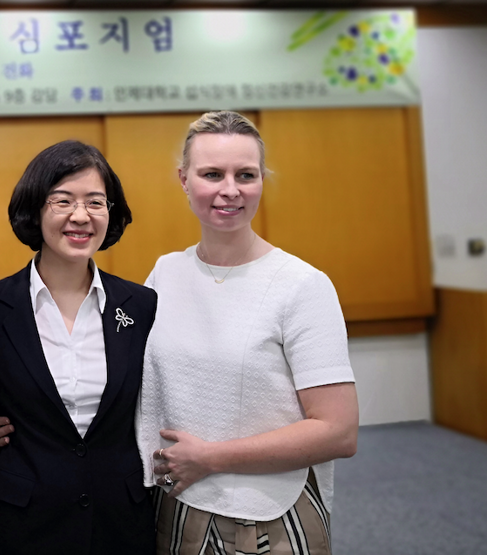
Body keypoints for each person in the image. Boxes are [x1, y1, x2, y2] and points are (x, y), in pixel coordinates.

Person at [136, 111, 359, 555]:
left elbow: (338, 431)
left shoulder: (301, 284)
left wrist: (211, 457)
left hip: (271, 513)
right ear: (184, 179)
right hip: (178, 505)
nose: (230, 190)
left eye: (246, 175)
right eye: (212, 174)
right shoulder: (166, 273)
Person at [0, 140, 157, 555]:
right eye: (62, 201)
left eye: (96, 202)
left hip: (119, 520)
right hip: (21, 521)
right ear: (35, 209)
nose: (80, 216)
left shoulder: (140, 305)